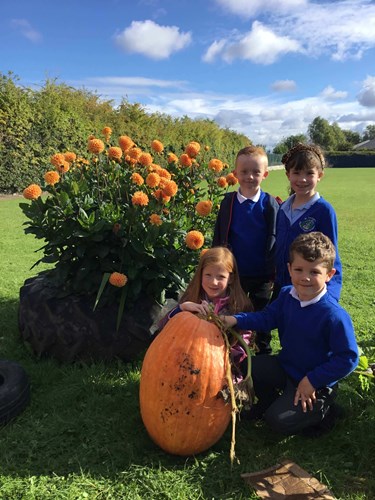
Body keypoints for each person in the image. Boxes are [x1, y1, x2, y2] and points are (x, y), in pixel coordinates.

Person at [220, 232, 359, 436]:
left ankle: (324, 409)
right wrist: (236, 319)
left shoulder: (333, 315)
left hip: (315, 381)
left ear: (329, 275)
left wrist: (312, 380)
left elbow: (348, 358)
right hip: (287, 367)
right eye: (299, 269)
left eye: (314, 272)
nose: (305, 277)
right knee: (248, 366)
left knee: (278, 422)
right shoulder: (287, 295)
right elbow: (268, 318)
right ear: (289, 270)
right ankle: (270, 402)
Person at [213, 145, 280, 355]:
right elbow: (219, 236)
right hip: (235, 274)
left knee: (261, 314)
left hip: (262, 275)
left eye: (256, 172)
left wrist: (274, 272)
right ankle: (232, 353)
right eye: (244, 172)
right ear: (235, 173)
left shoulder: (270, 204)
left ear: (265, 174)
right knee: (232, 313)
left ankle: (263, 353)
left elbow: (277, 238)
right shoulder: (228, 203)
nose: (249, 176)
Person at [158, 246, 254, 379]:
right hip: (186, 358)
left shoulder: (239, 306)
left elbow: (243, 343)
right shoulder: (193, 298)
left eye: (220, 277)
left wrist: (226, 358)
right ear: (200, 274)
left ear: (231, 278)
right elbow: (165, 328)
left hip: (221, 365)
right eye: (208, 275)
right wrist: (182, 308)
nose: (213, 282)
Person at [275, 143, 342, 301]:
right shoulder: (283, 208)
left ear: (319, 175)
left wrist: (331, 294)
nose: (302, 179)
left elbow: (332, 255)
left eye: (309, 173)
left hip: (308, 289)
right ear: (288, 175)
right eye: (296, 172)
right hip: (282, 287)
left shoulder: (323, 210)